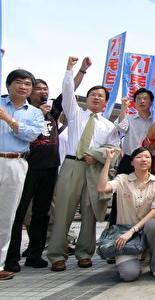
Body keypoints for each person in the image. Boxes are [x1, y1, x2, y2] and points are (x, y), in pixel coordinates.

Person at [6, 61, 90, 273]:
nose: (43, 92)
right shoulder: (25, 112)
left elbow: (70, 89)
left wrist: (81, 70)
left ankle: (34, 254)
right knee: (18, 212)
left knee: (42, 213)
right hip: (28, 166)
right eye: (38, 88)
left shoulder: (52, 110)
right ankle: (11, 257)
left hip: (50, 168)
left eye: (46, 89)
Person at [47, 56, 120, 272]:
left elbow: (114, 150)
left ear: (106, 103)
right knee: (63, 211)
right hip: (72, 166)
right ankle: (57, 254)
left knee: (89, 212)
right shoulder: (75, 114)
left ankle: (85, 253)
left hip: (93, 169)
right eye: (93, 95)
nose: (96, 98)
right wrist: (74, 69)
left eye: (100, 96)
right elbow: (67, 91)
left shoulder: (108, 125)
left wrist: (96, 155)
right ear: (86, 99)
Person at [0, 69, 45, 280]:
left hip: (16, 162)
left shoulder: (35, 113)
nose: (23, 87)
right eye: (18, 82)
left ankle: (0, 263)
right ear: (8, 85)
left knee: (6, 215)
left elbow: (31, 134)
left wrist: (8, 119)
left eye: (27, 84)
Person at [96, 147, 155, 281]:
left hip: (143, 231)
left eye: (147, 157)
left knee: (154, 225)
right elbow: (102, 188)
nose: (143, 160)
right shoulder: (122, 179)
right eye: (139, 157)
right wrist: (108, 160)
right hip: (125, 236)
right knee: (128, 275)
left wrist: (133, 230)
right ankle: (133, 259)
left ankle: (154, 264)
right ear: (132, 162)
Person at [110, 88, 154, 225]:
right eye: (138, 99)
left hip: (150, 162)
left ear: (151, 102)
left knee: (147, 196)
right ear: (134, 102)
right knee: (120, 194)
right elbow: (120, 127)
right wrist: (124, 107)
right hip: (129, 160)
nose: (142, 101)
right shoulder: (129, 118)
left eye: (145, 98)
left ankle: (142, 228)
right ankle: (114, 227)